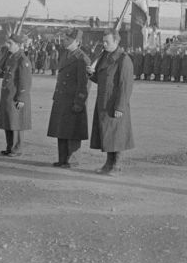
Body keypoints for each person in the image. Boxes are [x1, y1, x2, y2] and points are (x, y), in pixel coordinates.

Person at [87, 28, 134, 176]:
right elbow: (102, 80)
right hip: (103, 102)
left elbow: (125, 85)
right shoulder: (104, 57)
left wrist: (120, 107)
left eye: (107, 42)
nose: (104, 44)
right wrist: (91, 74)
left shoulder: (123, 59)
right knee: (107, 134)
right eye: (103, 41)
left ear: (116, 41)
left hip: (115, 103)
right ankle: (108, 164)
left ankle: (116, 165)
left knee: (116, 135)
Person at [47, 29, 90, 168]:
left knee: (72, 131)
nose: (65, 41)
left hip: (73, 100)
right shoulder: (65, 55)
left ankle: (72, 160)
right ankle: (62, 158)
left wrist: (79, 102)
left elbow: (84, 84)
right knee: (62, 130)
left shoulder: (82, 59)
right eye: (65, 39)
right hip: (62, 98)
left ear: (77, 42)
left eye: (68, 40)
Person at [0, 33, 32, 157]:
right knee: (9, 123)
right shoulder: (10, 57)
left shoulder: (22, 59)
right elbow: (2, 75)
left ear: (18, 45)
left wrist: (21, 99)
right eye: (7, 42)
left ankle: (17, 149)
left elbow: (25, 81)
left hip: (15, 96)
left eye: (10, 43)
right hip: (8, 95)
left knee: (16, 123)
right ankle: (10, 146)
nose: (7, 45)